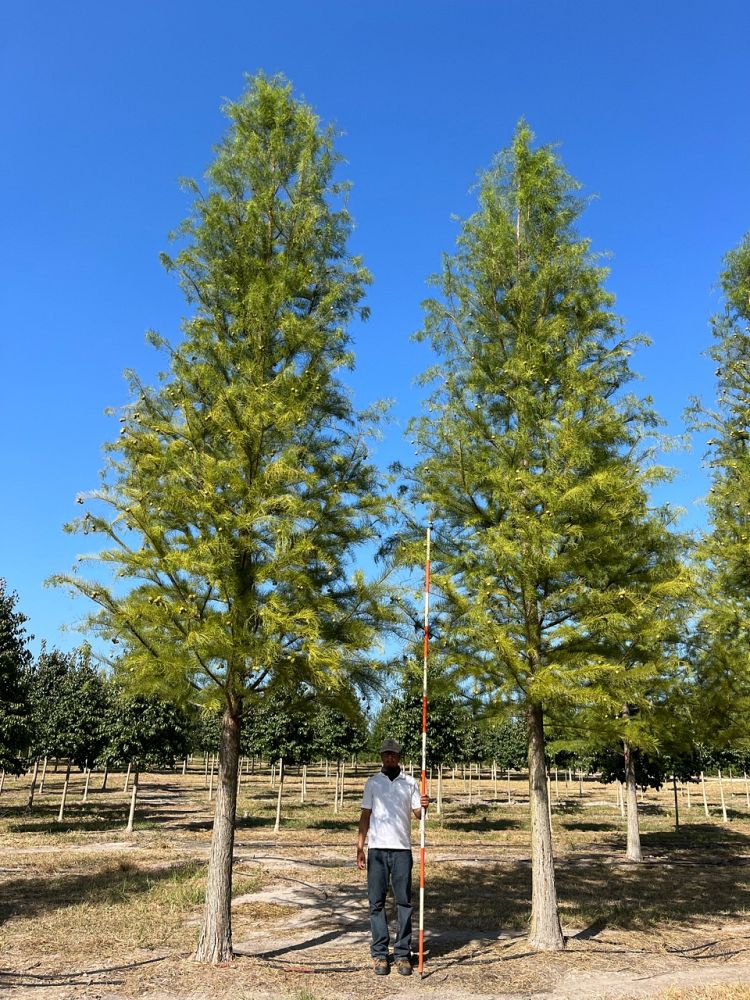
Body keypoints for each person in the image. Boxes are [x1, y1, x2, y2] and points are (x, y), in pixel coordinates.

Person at [357, 738, 430, 977]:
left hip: (401, 851)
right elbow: (365, 816)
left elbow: (419, 814)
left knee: (404, 903)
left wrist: (425, 805)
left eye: (393, 754)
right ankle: (379, 953)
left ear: (399, 757)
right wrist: (360, 846)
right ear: (381, 756)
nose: (389, 757)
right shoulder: (373, 783)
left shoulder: (410, 783)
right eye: (386, 754)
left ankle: (402, 954)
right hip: (377, 850)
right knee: (376, 903)